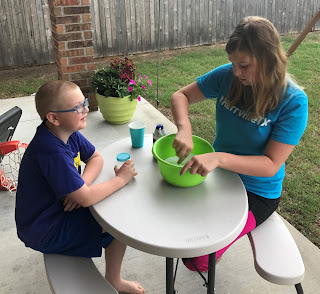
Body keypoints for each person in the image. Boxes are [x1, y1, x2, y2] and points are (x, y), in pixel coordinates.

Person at [170, 16, 308, 272]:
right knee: (182, 233)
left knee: (198, 260)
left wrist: (219, 158)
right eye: (233, 63)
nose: (236, 72)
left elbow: (271, 165)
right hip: (219, 176)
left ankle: (217, 249)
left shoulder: (293, 102)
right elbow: (181, 96)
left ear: (268, 59)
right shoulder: (228, 77)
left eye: (243, 65)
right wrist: (184, 128)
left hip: (257, 192)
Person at [15, 80, 145, 294]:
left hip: (57, 211)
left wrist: (80, 186)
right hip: (45, 229)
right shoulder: (51, 151)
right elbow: (86, 199)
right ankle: (115, 279)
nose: (86, 109)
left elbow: (95, 157)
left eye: (84, 102)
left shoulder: (67, 132)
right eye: (78, 107)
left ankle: (114, 277)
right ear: (54, 118)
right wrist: (121, 179)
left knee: (112, 210)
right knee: (118, 222)